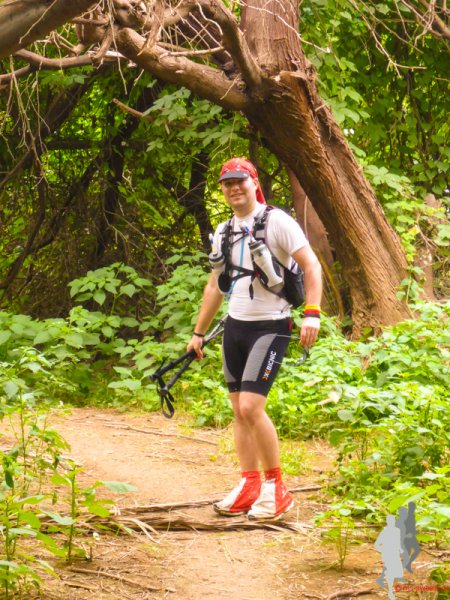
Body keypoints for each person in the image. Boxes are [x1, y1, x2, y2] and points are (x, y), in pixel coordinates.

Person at [187, 157, 322, 521]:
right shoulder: (223, 231)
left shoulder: (277, 221)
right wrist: (198, 333)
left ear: (254, 183)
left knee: (250, 407)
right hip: (235, 327)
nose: (234, 188)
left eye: (240, 181)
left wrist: (312, 312)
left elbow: (311, 265)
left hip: (271, 326)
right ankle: (249, 484)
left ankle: (276, 488)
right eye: (227, 183)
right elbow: (215, 286)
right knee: (238, 410)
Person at [375, 514, 405, 600]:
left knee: (397, 571)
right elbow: (377, 544)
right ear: (387, 522)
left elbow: (398, 542)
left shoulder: (397, 531)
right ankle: (390, 591)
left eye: (393, 521)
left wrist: (400, 550)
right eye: (390, 521)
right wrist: (383, 551)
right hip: (388, 553)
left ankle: (392, 587)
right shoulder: (384, 532)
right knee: (390, 571)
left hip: (395, 553)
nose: (392, 522)